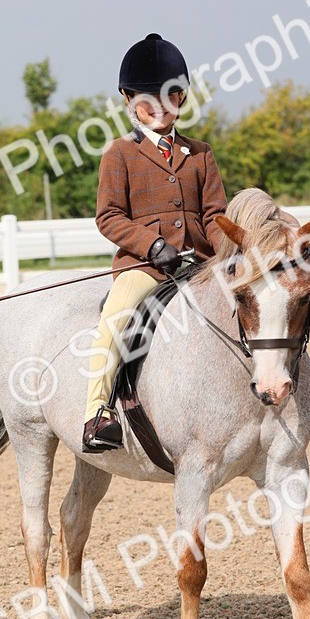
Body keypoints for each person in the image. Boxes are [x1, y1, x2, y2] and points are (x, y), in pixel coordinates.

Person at [82, 33, 228, 452]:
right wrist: (152, 246)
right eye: (149, 99)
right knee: (116, 318)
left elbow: (213, 215)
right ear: (128, 99)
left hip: (199, 264)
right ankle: (97, 412)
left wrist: (228, 251)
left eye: (171, 95)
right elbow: (109, 216)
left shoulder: (200, 153)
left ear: (182, 97)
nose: (161, 106)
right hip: (144, 267)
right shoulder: (119, 153)